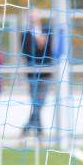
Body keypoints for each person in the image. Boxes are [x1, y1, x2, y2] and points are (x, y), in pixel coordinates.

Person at [20, 9, 54, 137]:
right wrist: (37, 41)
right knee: (36, 102)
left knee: (40, 102)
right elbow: (26, 52)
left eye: (35, 16)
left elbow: (51, 50)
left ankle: (28, 128)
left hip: (46, 72)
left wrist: (43, 42)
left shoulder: (48, 30)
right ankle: (39, 131)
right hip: (32, 73)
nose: (33, 18)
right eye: (31, 16)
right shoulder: (25, 34)